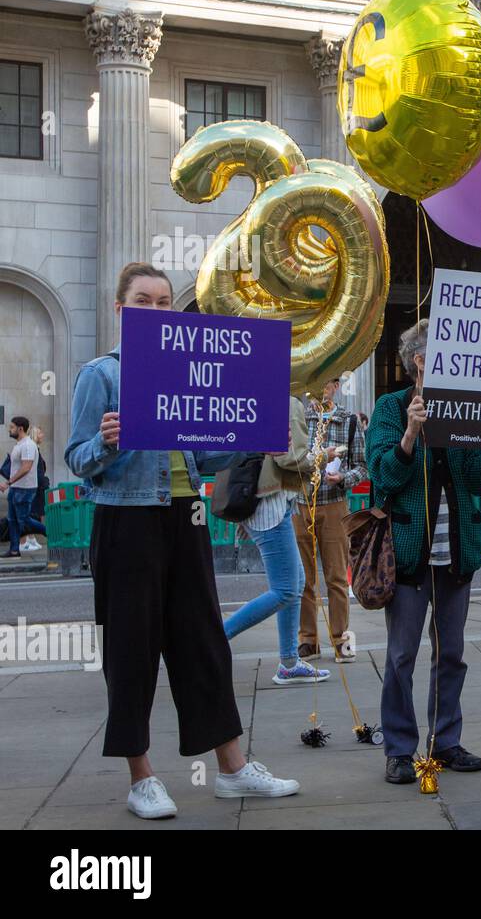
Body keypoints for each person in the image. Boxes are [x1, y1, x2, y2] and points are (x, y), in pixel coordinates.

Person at [65, 261, 298, 820]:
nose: (156, 309)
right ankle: (141, 778)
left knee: (203, 645)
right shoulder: (102, 374)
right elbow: (78, 459)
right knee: (132, 651)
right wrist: (106, 441)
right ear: (121, 310)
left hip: (185, 516)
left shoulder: (186, 369)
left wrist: (259, 439)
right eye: (144, 300)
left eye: (165, 300)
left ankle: (232, 769)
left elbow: (207, 454)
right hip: (126, 522)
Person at [369, 319, 481, 783]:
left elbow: (478, 481)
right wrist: (410, 434)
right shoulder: (390, 408)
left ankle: (445, 741)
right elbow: (384, 477)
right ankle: (399, 749)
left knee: (451, 654)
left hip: (457, 553)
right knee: (401, 656)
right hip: (410, 556)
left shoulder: (464, 408)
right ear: (421, 362)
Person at [222, 395, 331, 685]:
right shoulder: (290, 401)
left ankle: (289, 662)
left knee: (293, 585)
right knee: (285, 589)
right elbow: (289, 458)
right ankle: (216, 638)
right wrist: (321, 459)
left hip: (263, 499)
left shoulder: (258, 397)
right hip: (270, 501)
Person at [296, 375, 367, 664]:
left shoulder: (348, 421)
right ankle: (308, 641)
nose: (320, 387)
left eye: (327, 382)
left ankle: (340, 640)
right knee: (303, 579)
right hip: (300, 504)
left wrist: (343, 478)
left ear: (336, 386)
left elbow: (363, 466)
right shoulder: (299, 417)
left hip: (334, 504)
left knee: (337, 577)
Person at [1, 416, 45, 558]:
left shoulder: (28, 445)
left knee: (24, 519)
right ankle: (14, 550)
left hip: (25, 489)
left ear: (20, 428)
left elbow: (26, 467)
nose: (10, 429)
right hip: (16, 488)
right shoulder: (19, 445)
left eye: (12, 427)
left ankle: (50, 532)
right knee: (12, 520)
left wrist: (8, 482)